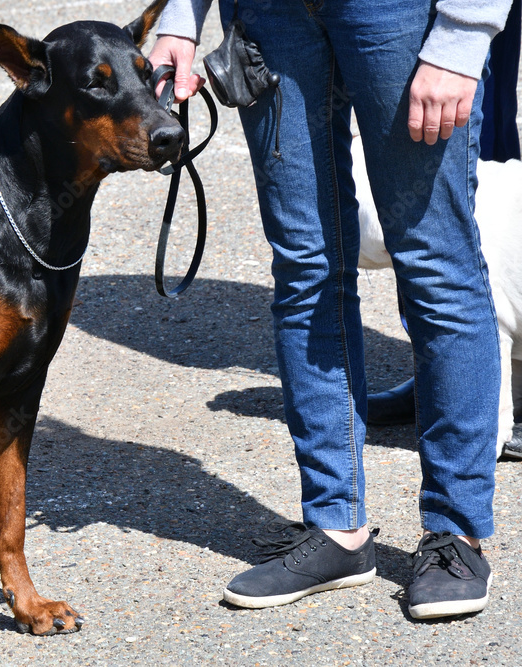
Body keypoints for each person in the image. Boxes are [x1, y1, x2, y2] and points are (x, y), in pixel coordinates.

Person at [149, 0, 513, 619]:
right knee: (304, 267)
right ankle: (336, 526)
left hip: (398, 12)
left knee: (435, 263)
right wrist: (182, 16)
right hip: (271, 15)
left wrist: (462, 34)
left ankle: (456, 532)